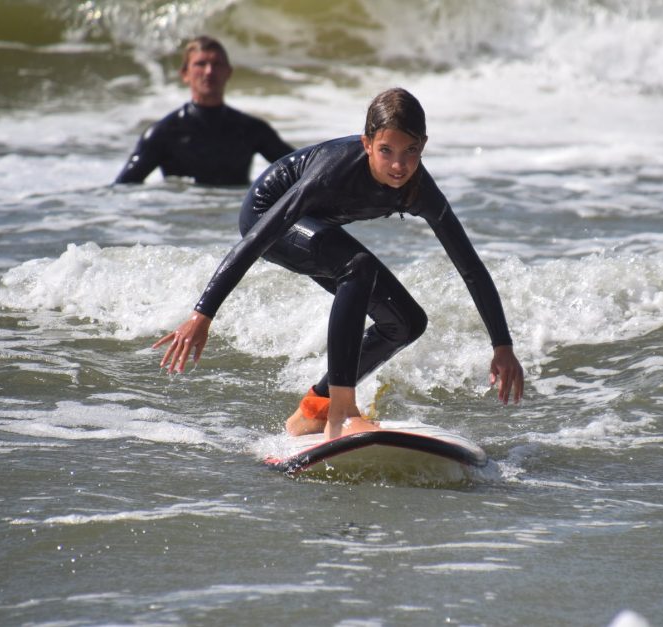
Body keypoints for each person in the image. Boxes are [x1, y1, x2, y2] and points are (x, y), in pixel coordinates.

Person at [153, 87, 524, 440]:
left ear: (423, 147)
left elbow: (470, 267)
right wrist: (203, 313)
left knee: (406, 323)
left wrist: (502, 346)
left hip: (312, 226)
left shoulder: (420, 190)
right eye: (386, 150)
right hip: (266, 216)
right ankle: (342, 412)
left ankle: (313, 410)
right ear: (366, 145)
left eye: (410, 151)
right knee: (357, 267)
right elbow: (256, 239)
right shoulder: (333, 172)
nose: (399, 165)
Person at [114, 36, 294, 186]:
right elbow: (122, 188)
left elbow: (303, 171)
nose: (209, 71)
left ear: (228, 72)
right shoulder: (164, 133)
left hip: (232, 220)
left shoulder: (250, 129)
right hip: (178, 221)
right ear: (185, 73)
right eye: (201, 64)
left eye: (217, 64)